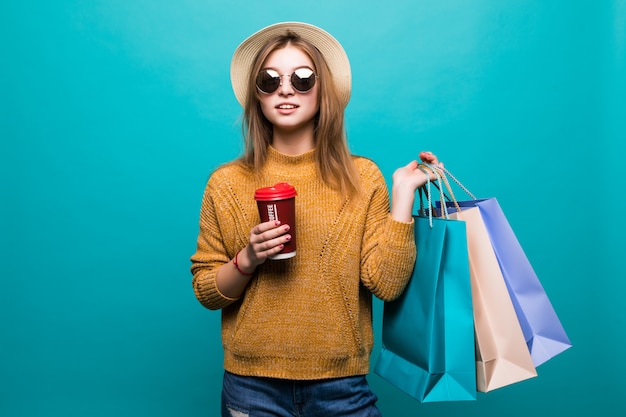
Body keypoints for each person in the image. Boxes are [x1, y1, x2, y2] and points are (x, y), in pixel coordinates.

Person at [190, 21, 442, 417]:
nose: (285, 89)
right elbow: (206, 291)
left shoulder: (363, 178)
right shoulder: (226, 183)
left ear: (324, 90)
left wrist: (403, 195)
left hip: (342, 386)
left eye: (303, 78)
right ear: (257, 95)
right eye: (269, 79)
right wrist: (248, 258)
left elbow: (386, 284)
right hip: (251, 385)